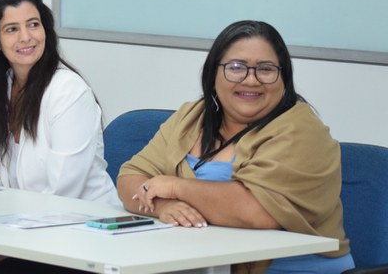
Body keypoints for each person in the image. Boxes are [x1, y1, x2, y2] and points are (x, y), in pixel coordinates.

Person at [117, 20, 354, 274]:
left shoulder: (301, 129)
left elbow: (259, 212)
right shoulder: (192, 117)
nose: (251, 80)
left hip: (289, 267)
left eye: (265, 69)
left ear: (283, 77)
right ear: (213, 74)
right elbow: (130, 178)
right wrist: (164, 206)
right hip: (202, 262)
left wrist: (174, 186)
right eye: (236, 67)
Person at [0, 0, 120, 274]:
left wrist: (8, 244)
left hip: (81, 234)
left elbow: (64, 193)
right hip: (25, 232)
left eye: (33, 25)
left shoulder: (68, 92)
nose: (26, 37)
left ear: (46, 31)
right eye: (12, 29)